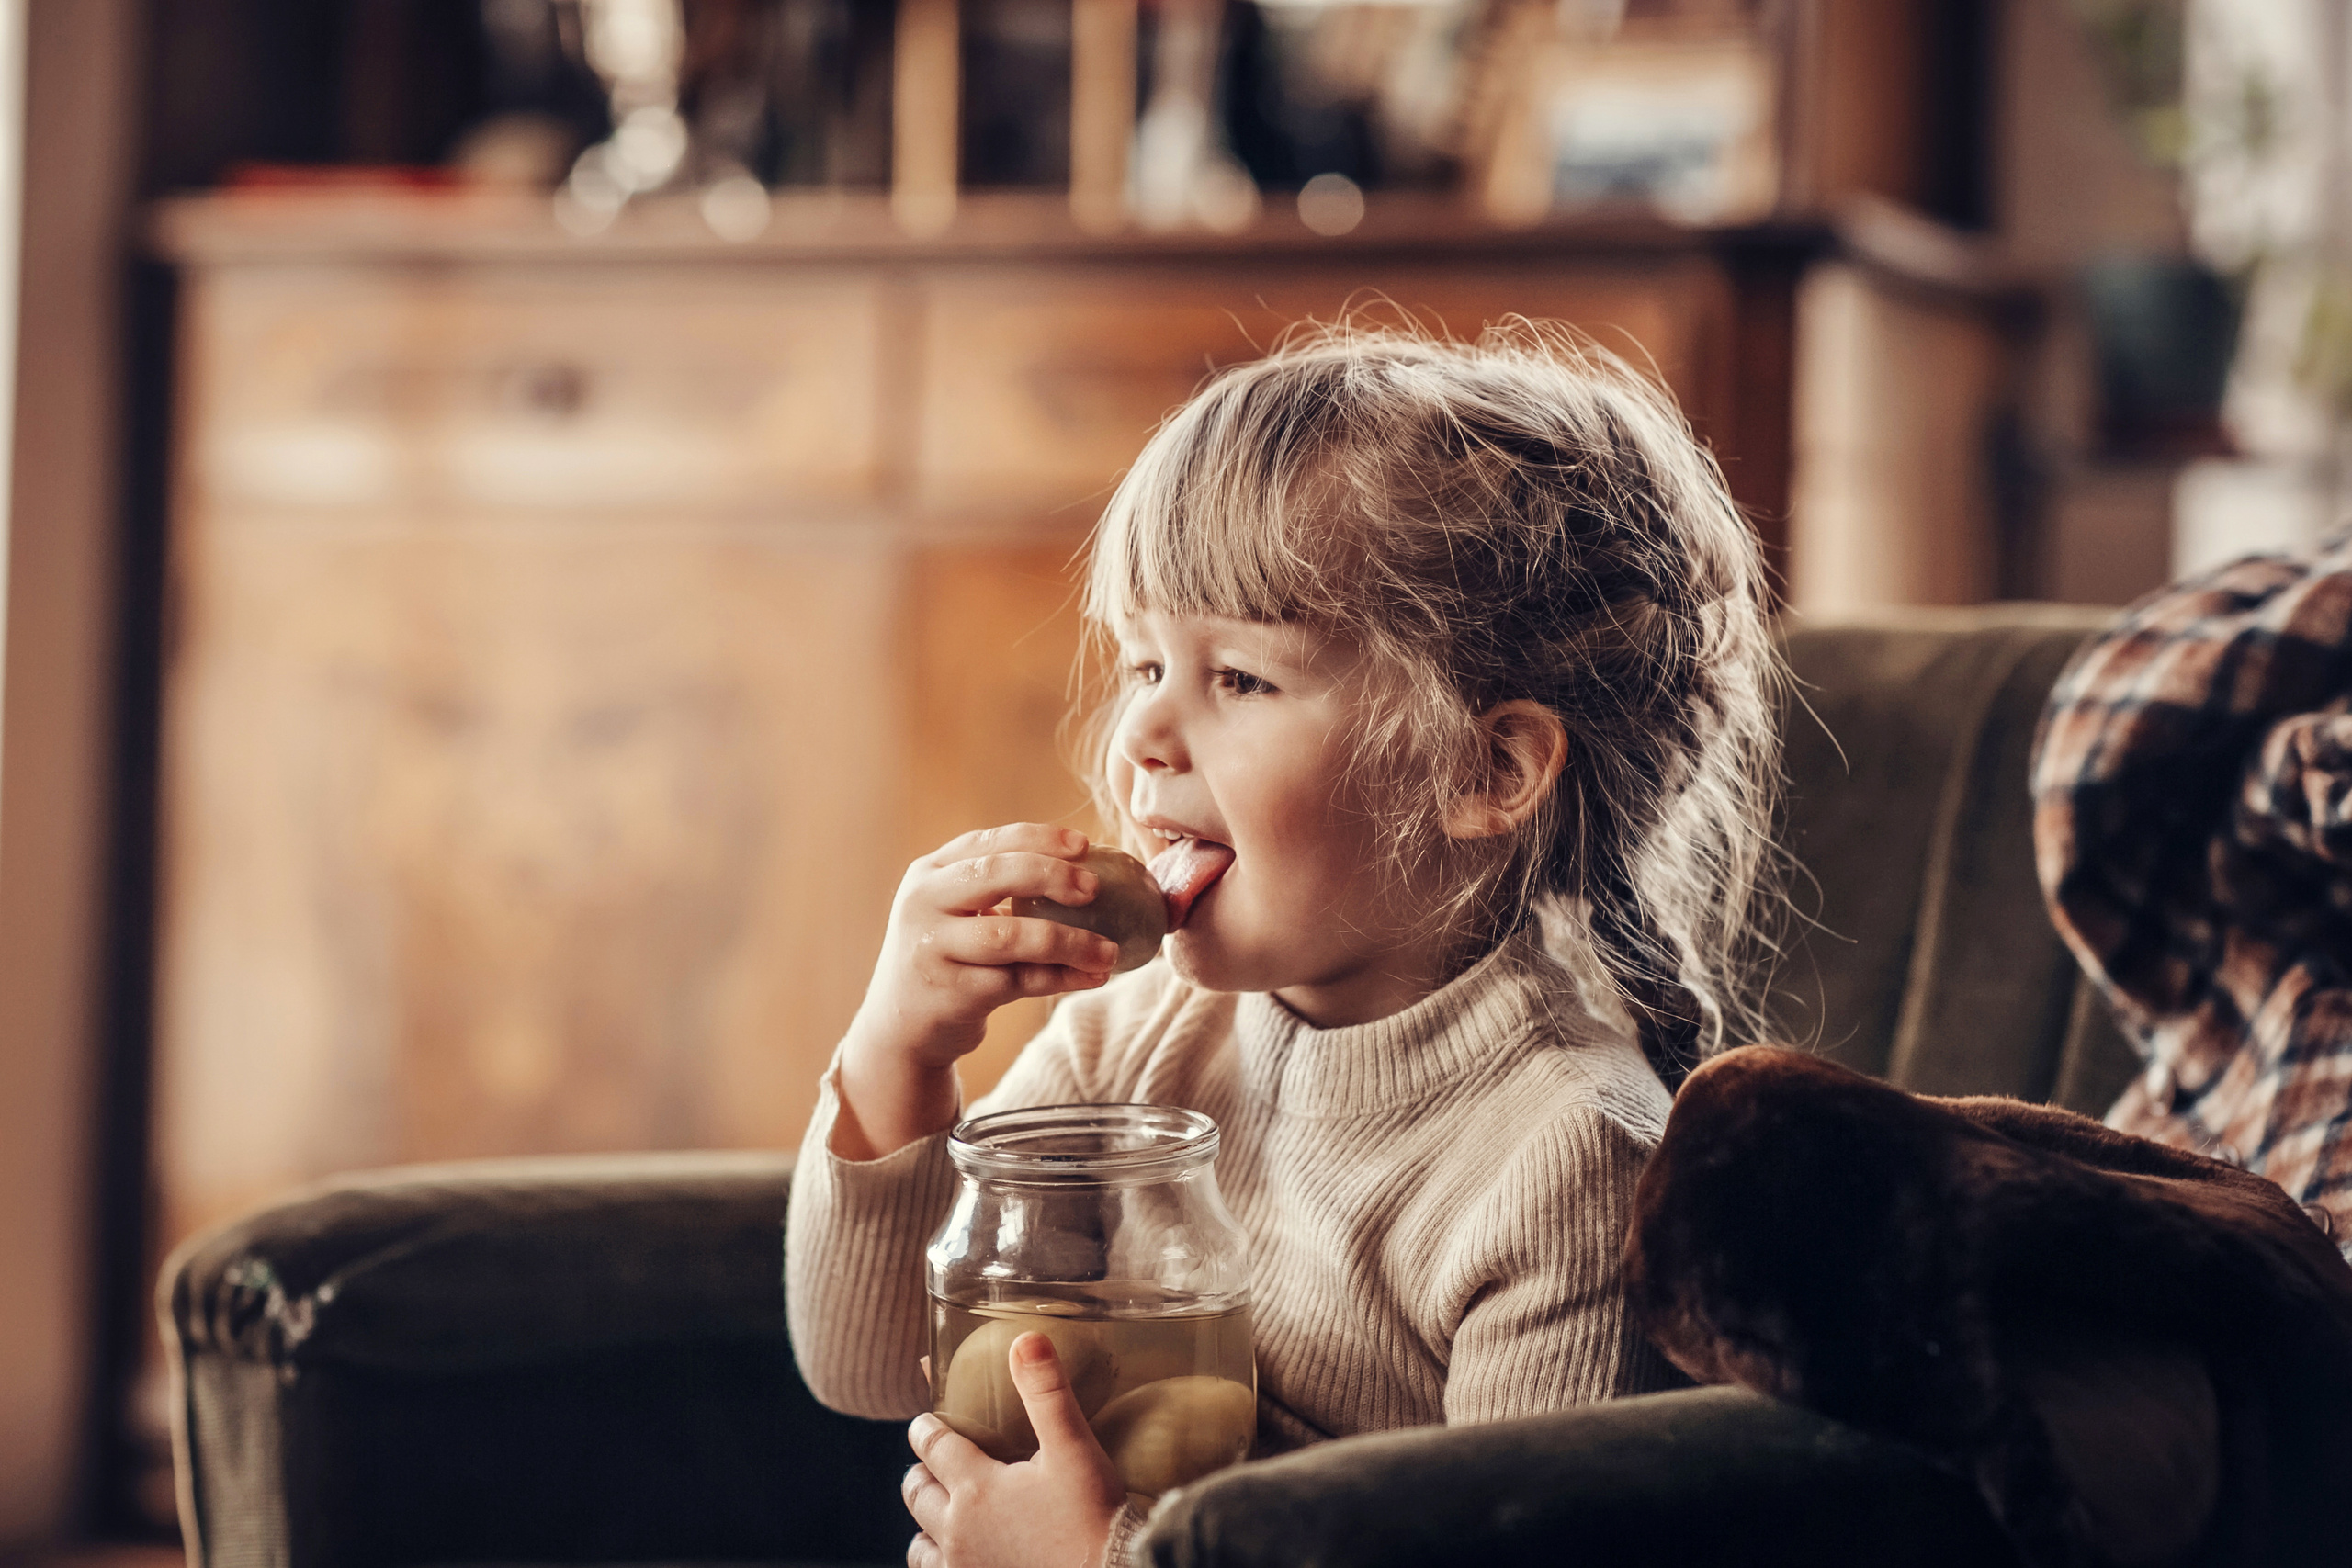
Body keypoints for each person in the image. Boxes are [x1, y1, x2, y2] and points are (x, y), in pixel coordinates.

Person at [786, 323, 1785, 1568]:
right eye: (1147, 658)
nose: (1142, 728)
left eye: (1241, 680)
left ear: (1484, 768)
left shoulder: (1565, 1166)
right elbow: (877, 1370)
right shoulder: (1137, 1031)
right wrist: (899, 1050)